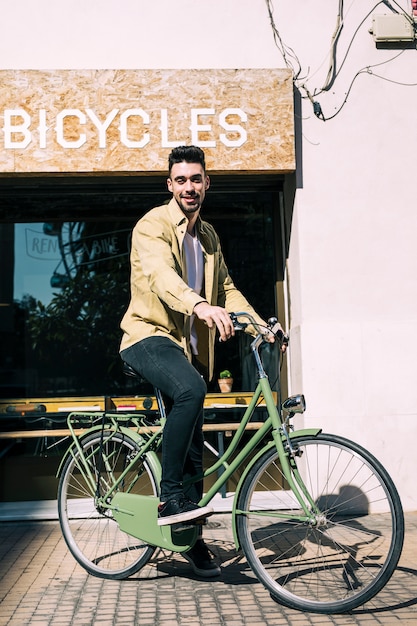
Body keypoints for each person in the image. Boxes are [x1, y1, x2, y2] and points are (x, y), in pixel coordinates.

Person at [120, 145, 285, 577]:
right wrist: (198, 306)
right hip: (148, 336)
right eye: (181, 180)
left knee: (195, 450)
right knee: (191, 389)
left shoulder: (208, 236)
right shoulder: (152, 225)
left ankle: (189, 541)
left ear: (207, 182)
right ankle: (169, 496)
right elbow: (161, 276)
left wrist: (258, 326)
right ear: (170, 185)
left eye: (196, 179)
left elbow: (227, 288)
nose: (189, 187)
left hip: (189, 351)